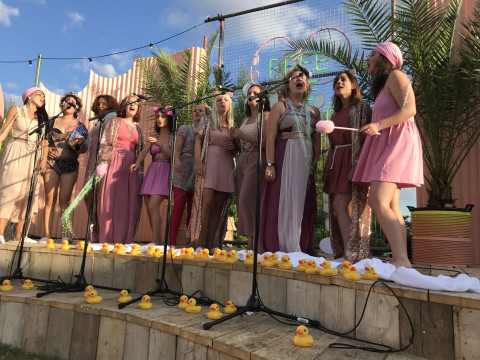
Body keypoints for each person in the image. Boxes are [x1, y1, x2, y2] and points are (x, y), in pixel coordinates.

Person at [353, 42, 423, 268]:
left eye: (372, 54)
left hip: (398, 142)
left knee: (377, 200)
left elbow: (410, 109)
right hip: (390, 142)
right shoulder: (386, 83)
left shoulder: (396, 75)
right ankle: (400, 259)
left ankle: (401, 259)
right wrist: (376, 126)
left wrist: (378, 125)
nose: (368, 59)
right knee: (391, 205)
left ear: (385, 58)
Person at [259, 66, 321, 254]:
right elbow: (270, 138)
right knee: (282, 198)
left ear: (307, 84)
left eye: (302, 77)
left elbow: (317, 141)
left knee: (303, 201)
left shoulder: (314, 111)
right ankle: (279, 243)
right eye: (294, 78)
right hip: (283, 155)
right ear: (287, 85)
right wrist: (270, 164)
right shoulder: (280, 107)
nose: (299, 80)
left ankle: (300, 244)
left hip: (305, 159)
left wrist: (314, 163)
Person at [322, 71, 372, 263]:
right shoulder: (335, 114)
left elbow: (367, 139)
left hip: (351, 160)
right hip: (336, 161)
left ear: (353, 85)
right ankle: (346, 252)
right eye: (336, 80)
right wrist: (327, 167)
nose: (339, 82)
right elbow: (332, 144)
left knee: (342, 206)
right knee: (339, 208)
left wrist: (358, 163)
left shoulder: (361, 108)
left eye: (343, 79)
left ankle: (352, 254)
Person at [0, 87, 49, 244]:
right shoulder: (16, 110)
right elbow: (4, 131)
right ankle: (0, 234)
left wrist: (43, 159)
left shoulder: (42, 117)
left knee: (26, 194)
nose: (42, 97)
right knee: (10, 190)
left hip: (33, 156)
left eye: (43, 96)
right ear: (28, 96)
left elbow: (45, 142)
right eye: (39, 94)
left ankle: (19, 236)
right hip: (15, 151)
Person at [188, 92, 236, 249]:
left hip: (226, 165)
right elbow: (197, 141)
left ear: (230, 104)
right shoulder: (207, 120)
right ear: (215, 104)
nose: (222, 102)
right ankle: (198, 241)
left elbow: (238, 150)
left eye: (225, 100)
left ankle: (210, 244)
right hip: (209, 163)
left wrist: (234, 147)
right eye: (218, 100)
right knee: (206, 203)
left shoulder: (233, 125)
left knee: (218, 206)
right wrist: (198, 163)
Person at [97, 94, 144, 244]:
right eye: (129, 102)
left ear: (138, 108)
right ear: (124, 105)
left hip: (130, 167)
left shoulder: (139, 129)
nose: (132, 105)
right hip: (114, 162)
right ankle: (107, 237)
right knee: (110, 200)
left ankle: (124, 238)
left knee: (127, 203)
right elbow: (105, 143)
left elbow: (140, 150)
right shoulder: (115, 121)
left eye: (135, 103)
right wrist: (103, 162)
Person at [43, 91, 88, 239]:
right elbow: (43, 140)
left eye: (72, 102)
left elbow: (83, 149)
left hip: (70, 165)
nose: (68, 103)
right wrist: (47, 151)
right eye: (66, 101)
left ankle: (64, 235)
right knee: (50, 200)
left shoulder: (80, 126)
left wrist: (80, 144)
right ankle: (46, 235)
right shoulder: (51, 121)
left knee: (64, 201)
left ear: (76, 108)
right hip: (51, 164)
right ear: (62, 104)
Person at [230, 84, 270, 250]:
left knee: (249, 200)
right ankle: (250, 243)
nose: (251, 95)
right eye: (249, 93)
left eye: (255, 92)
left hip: (257, 159)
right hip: (242, 161)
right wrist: (233, 141)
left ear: (262, 97)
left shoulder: (266, 116)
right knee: (241, 201)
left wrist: (242, 134)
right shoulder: (244, 120)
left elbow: (267, 143)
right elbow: (241, 142)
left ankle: (256, 245)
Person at [131, 107, 173, 244]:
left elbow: (173, 156)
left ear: (170, 119)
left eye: (163, 116)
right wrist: (137, 163)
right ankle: (158, 241)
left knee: (154, 205)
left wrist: (160, 145)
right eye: (158, 116)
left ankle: (156, 241)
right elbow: (144, 152)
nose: (159, 119)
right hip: (153, 170)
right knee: (149, 207)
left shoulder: (174, 137)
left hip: (165, 170)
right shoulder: (153, 136)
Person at [170, 104, 208, 246]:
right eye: (194, 110)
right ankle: (172, 243)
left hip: (199, 171)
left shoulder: (207, 131)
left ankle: (189, 242)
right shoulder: (185, 128)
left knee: (193, 208)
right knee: (179, 206)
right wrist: (176, 160)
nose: (197, 112)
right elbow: (177, 148)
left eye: (201, 110)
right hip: (183, 168)